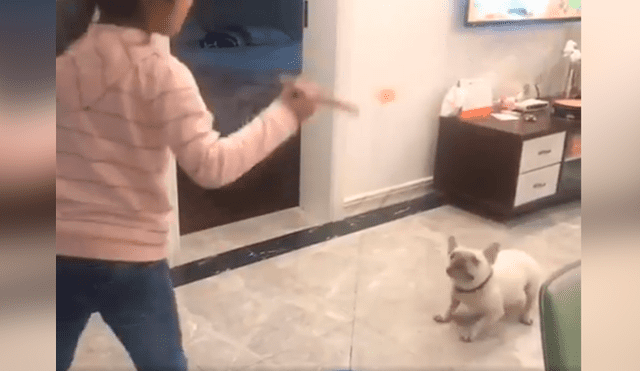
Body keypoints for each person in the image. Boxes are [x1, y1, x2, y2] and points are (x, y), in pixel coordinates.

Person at [56, 0, 326, 370]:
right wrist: (286, 114)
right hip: (133, 263)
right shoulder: (162, 74)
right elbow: (212, 167)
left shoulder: (63, 64)